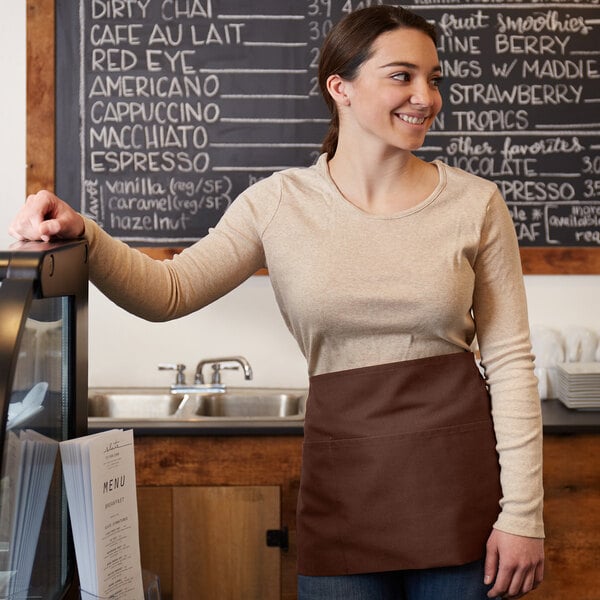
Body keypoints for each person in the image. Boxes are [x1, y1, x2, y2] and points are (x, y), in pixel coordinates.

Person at [10, 5, 544, 599]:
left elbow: (512, 364)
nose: (426, 96)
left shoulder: (476, 203)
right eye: (402, 75)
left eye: (434, 78)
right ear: (340, 87)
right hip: (344, 488)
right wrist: (85, 232)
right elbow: (170, 291)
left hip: (458, 487)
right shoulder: (278, 203)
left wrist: (523, 515)